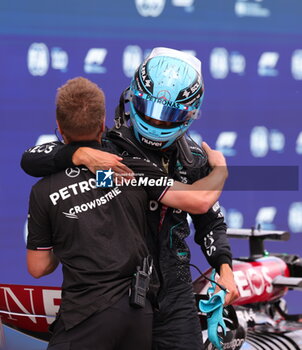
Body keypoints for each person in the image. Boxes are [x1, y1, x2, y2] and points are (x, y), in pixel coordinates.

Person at [22, 48, 238, 350]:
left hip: (174, 294)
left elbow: (209, 219)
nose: (157, 121)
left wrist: (224, 269)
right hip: (122, 295)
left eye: (170, 115)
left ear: (191, 113)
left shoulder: (197, 159)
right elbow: (32, 159)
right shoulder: (105, 151)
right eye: (149, 108)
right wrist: (77, 153)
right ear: (132, 97)